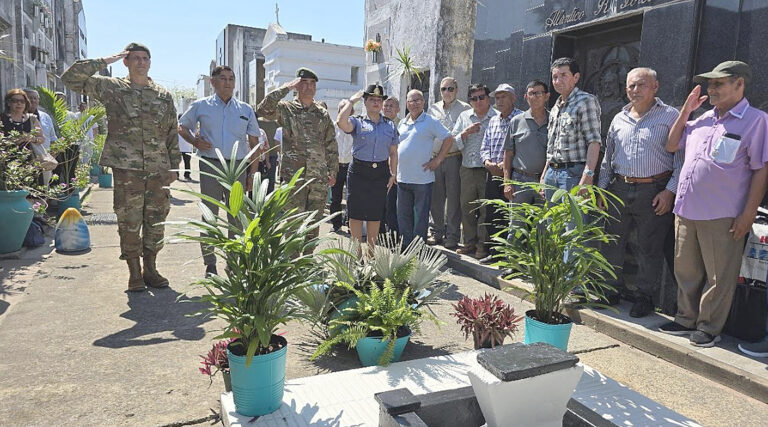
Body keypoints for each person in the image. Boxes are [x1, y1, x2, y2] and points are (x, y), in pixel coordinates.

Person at [660, 61, 768, 347]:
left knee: (719, 276)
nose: (711, 88)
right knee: (686, 270)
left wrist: (747, 213)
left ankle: (708, 327)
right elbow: (672, 145)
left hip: (722, 213)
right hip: (686, 210)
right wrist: (687, 110)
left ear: (739, 84)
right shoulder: (702, 118)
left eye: (718, 83)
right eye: (710, 83)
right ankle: (685, 318)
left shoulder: (756, 120)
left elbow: (761, 169)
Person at [62, 42, 179, 292]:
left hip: (158, 169)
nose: (140, 62)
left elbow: (171, 132)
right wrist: (106, 60)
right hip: (127, 169)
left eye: (145, 58)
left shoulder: (163, 95)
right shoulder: (111, 88)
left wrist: (174, 166)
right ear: (125, 62)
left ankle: (151, 268)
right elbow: (70, 78)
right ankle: (134, 272)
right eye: (134, 58)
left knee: (156, 219)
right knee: (129, 220)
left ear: (150, 62)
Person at [596, 68, 681, 318]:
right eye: (631, 86)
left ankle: (645, 297)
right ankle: (610, 290)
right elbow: (607, 159)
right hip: (619, 187)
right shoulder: (619, 118)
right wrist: (602, 190)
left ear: (655, 86)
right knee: (612, 242)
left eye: (641, 85)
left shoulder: (670, 116)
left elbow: (680, 159)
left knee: (649, 247)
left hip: (653, 190)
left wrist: (669, 192)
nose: (634, 90)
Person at [179, 65, 261, 276]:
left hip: (237, 167)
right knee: (210, 216)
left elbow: (254, 143)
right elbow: (182, 126)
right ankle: (210, 263)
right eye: (222, 78)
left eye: (231, 78)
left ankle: (233, 263)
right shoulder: (201, 106)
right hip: (211, 165)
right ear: (213, 83)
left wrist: (253, 174)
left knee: (236, 217)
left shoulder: (245, 109)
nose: (228, 82)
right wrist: (194, 141)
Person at [257, 67, 338, 242]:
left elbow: (330, 143)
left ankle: (307, 262)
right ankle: (293, 265)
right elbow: (262, 110)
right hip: (293, 176)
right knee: (293, 223)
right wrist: (285, 88)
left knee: (313, 224)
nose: (308, 87)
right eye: (304, 83)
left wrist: (333, 171)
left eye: (312, 83)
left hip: (317, 178)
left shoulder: (322, 113)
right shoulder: (286, 109)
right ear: (297, 85)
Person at [337, 85, 399, 251]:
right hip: (358, 171)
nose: (376, 103)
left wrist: (393, 174)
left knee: (375, 213)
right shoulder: (358, 121)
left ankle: (371, 253)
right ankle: (356, 252)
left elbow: (393, 153)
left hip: (380, 173)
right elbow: (341, 122)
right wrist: (351, 101)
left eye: (379, 100)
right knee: (356, 213)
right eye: (372, 99)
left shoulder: (390, 125)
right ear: (365, 102)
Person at [397, 89, 454, 249]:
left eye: (418, 100)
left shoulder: (430, 121)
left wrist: (438, 159)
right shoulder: (402, 122)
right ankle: (405, 248)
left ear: (423, 102)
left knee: (420, 218)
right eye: (411, 101)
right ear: (406, 104)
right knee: (403, 216)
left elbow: (448, 138)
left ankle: (418, 249)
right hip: (402, 178)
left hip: (422, 180)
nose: (414, 103)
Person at [541, 57, 602, 200]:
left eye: (563, 75)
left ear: (576, 77)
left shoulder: (586, 101)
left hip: (573, 174)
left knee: (572, 221)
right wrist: (544, 175)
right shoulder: (555, 107)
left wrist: (588, 177)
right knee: (553, 221)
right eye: (555, 77)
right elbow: (552, 147)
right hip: (552, 173)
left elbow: (594, 141)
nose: (558, 81)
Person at [479, 83, 522, 264]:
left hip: (512, 176)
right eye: (497, 97)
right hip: (493, 174)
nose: (500, 100)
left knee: (510, 217)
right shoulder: (494, 120)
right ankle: (495, 251)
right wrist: (487, 162)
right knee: (492, 214)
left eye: (504, 97)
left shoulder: (521, 118)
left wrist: (502, 166)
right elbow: (484, 146)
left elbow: (521, 149)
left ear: (513, 98)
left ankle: (510, 256)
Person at [453, 83, 497, 259]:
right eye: (474, 98)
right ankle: (469, 242)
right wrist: (465, 132)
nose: (478, 101)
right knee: (467, 207)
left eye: (481, 97)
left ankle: (482, 245)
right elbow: (453, 141)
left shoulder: (496, 116)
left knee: (486, 209)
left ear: (488, 98)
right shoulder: (464, 117)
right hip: (468, 168)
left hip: (488, 170)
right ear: (470, 101)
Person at [426, 77, 470, 249]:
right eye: (444, 89)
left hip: (454, 157)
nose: (447, 92)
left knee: (453, 199)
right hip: (435, 157)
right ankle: (436, 232)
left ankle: (452, 235)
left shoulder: (465, 109)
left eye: (450, 89)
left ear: (457, 90)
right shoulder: (433, 108)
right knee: (436, 198)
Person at [24, 88, 58, 186]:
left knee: (43, 190)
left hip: (44, 160)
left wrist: (51, 157)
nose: (33, 100)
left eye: (35, 98)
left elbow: (53, 138)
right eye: (30, 98)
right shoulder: (18, 117)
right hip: (26, 161)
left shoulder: (45, 117)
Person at [330, 102, 354, 233]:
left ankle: (351, 225)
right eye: (341, 109)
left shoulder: (355, 126)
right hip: (337, 166)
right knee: (336, 197)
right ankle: (336, 224)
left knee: (351, 197)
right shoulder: (333, 127)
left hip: (351, 166)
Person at [382, 97, 401, 234]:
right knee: (380, 204)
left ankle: (394, 236)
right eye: (386, 105)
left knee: (392, 206)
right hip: (380, 169)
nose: (387, 108)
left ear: (398, 109)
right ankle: (380, 234)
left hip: (395, 171)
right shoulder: (379, 123)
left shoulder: (401, 125)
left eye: (391, 106)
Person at [177, 114, 193, 181]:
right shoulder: (176, 127)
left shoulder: (189, 127)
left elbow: (193, 136)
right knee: (177, 162)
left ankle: (187, 175)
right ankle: (176, 175)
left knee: (187, 162)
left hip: (187, 148)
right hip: (178, 148)